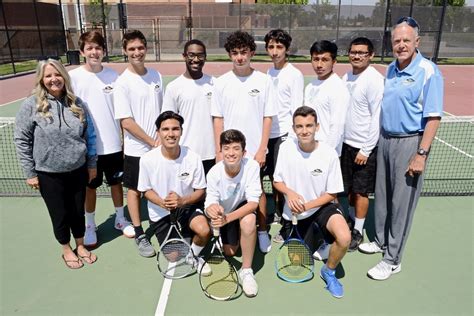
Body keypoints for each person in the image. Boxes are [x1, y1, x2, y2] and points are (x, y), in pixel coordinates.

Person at [359, 17, 443, 280]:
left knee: (402, 204)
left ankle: (392, 259)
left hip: (410, 142)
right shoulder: (392, 69)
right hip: (386, 139)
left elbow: (433, 117)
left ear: (417, 42)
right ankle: (382, 240)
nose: (401, 45)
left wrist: (421, 154)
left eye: (407, 40)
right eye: (397, 41)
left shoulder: (429, 71)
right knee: (382, 197)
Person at [14, 59, 98, 269]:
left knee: (78, 211)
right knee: (60, 213)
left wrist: (91, 164)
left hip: (78, 169)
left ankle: (80, 245)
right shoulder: (31, 105)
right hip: (48, 173)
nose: (54, 79)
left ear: (64, 76)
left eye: (57, 74)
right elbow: (22, 139)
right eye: (48, 76)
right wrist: (30, 172)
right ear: (42, 80)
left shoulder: (77, 103)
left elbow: (90, 137)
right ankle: (66, 249)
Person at [273, 106, 350, 298]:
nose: (304, 130)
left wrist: (306, 206)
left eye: (309, 125)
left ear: (317, 127)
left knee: (344, 237)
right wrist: (289, 193)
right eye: (299, 126)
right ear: (293, 128)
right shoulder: (285, 148)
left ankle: (329, 271)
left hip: (323, 207)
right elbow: (277, 181)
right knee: (297, 261)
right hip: (295, 215)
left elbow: (332, 193)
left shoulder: (329, 153)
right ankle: (320, 241)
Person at [211, 31, 276, 254]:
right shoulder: (221, 83)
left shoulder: (265, 81)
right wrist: (220, 151)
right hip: (230, 151)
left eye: (244, 52)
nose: (240, 57)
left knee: (259, 192)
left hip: (254, 151)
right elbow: (217, 118)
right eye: (235, 53)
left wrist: (262, 148)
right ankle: (230, 227)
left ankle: (262, 230)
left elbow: (268, 117)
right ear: (230, 54)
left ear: (252, 52)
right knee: (229, 190)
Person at [69, 30, 133, 247]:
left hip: (114, 144)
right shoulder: (74, 77)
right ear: (82, 52)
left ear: (104, 51)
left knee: (116, 183)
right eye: (90, 48)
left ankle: (120, 219)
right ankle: (90, 225)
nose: (94, 52)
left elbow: (121, 111)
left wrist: (124, 141)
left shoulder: (114, 77)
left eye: (98, 48)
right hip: (89, 148)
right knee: (91, 187)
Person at [137, 111, 211, 274]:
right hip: (160, 212)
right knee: (174, 256)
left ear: (181, 131)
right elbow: (145, 190)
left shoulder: (193, 157)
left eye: (175, 129)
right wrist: (162, 203)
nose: (171, 134)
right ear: (158, 133)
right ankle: (184, 234)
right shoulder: (147, 160)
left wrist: (182, 201)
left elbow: (201, 191)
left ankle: (193, 256)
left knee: (205, 231)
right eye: (165, 129)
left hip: (186, 207)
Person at [114, 30, 163, 257]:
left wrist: (161, 138)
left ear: (146, 48)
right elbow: (126, 121)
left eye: (140, 48)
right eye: (132, 49)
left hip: (160, 146)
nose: (137, 52)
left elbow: (162, 112)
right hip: (137, 149)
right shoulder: (122, 83)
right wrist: (151, 140)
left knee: (161, 185)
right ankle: (139, 232)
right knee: (134, 191)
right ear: (125, 51)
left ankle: (164, 224)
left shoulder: (156, 76)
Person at [304, 40, 350, 260]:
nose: (319, 63)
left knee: (330, 199)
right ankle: (319, 236)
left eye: (324, 59)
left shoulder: (337, 88)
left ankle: (333, 240)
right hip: (310, 153)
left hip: (327, 156)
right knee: (316, 196)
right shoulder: (311, 86)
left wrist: (326, 156)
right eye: (316, 59)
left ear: (334, 61)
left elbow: (337, 126)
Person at [205, 129, 262, 297]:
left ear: (244, 152)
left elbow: (253, 203)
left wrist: (228, 218)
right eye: (227, 148)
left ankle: (247, 271)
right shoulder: (214, 172)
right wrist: (213, 210)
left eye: (236, 148)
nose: (231, 153)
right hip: (225, 214)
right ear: (221, 151)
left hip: (240, 210)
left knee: (249, 221)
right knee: (230, 252)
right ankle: (242, 234)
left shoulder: (251, 166)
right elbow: (209, 203)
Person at [341, 37, 384, 251]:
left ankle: (357, 230)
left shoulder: (374, 80)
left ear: (371, 55)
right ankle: (350, 219)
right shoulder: (346, 76)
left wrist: (366, 149)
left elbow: (377, 116)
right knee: (349, 189)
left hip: (363, 148)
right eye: (353, 52)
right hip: (345, 144)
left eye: (362, 53)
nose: (357, 56)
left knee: (361, 192)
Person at [263, 29, 304, 243]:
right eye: (271, 47)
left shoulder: (294, 74)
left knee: (284, 180)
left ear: (286, 49)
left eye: (279, 47)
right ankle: (278, 213)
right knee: (271, 178)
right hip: (268, 135)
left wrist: (293, 139)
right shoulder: (269, 74)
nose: (275, 51)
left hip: (285, 137)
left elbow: (297, 108)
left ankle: (288, 224)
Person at [161, 39, 215, 175]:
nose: (196, 59)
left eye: (200, 55)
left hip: (212, 154)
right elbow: (168, 124)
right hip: (185, 155)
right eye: (191, 55)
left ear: (205, 57)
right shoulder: (173, 87)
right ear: (184, 56)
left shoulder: (215, 84)